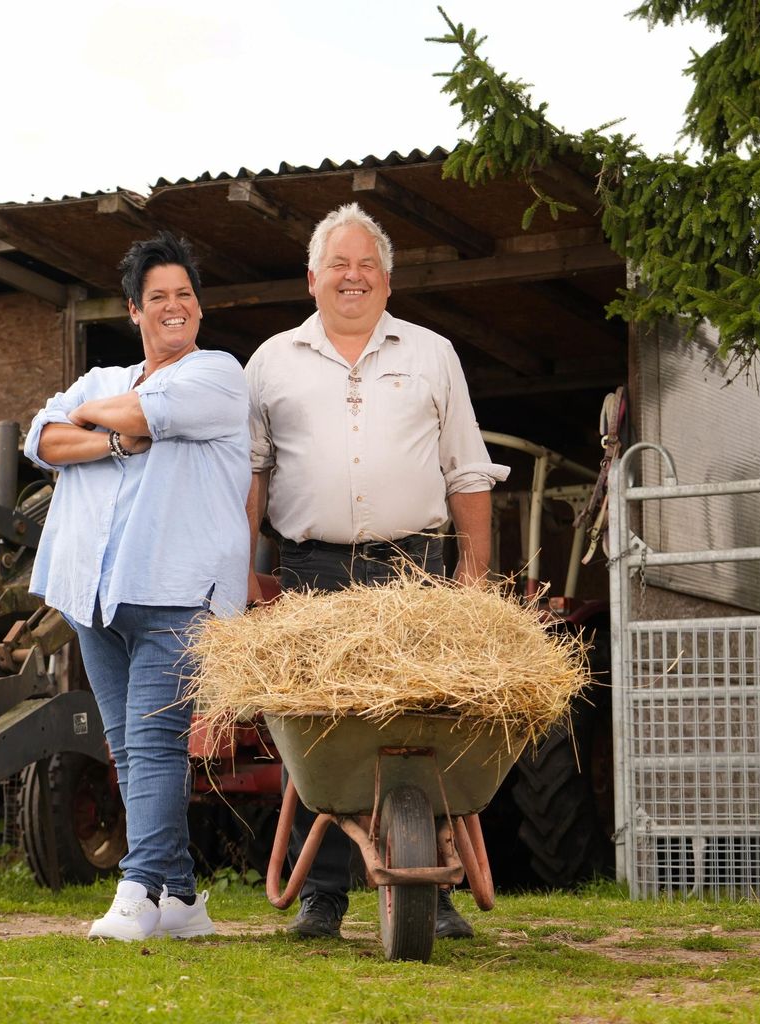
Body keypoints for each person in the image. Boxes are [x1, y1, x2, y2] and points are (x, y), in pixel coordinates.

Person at [245, 203, 509, 940]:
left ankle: (439, 888)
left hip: (413, 569)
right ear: (312, 278)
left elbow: (467, 470)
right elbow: (253, 480)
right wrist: (239, 576)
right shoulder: (270, 363)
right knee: (321, 732)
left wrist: (474, 580)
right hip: (312, 572)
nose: (352, 276)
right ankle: (321, 897)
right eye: (339, 264)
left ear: (387, 281)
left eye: (367, 265)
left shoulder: (431, 354)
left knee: (423, 727)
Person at [25, 232, 251, 942]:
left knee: (154, 747)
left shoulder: (216, 374)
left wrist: (101, 420)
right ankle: (180, 900)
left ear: (199, 308)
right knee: (127, 750)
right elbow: (41, 438)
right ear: (134, 309)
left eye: (185, 295)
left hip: (176, 590)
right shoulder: (101, 381)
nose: (175, 306)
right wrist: (112, 439)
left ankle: (137, 891)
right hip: (95, 593)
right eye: (159, 297)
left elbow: (147, 413)